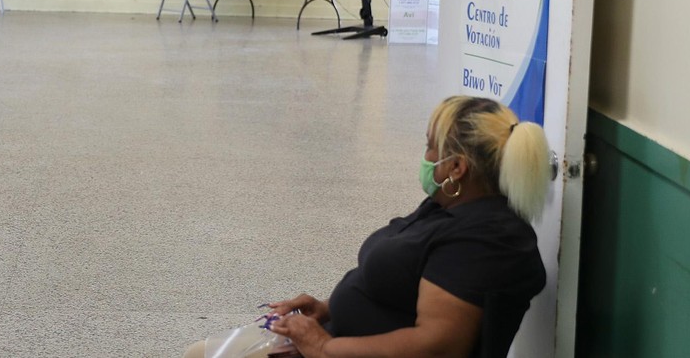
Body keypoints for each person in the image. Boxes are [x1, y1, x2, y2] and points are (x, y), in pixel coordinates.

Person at [186, 96, 551, 358]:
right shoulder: (450, 206)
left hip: (336, 349)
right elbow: (402, 288)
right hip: (336, 339)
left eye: (430, 147)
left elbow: (437, 347)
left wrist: (322, 347)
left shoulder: (485, 241)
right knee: (200, 354)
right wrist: (328, 309)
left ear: (456, 167)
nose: (426, 158)